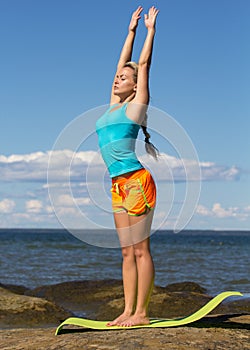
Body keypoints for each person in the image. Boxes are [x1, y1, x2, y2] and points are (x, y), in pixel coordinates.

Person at [96, 5, 159, 327]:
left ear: (135, 86)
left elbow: (142, 64)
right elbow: (122, 63)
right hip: (117, 185)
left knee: (140, 250)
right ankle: (127, 310)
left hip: (136, 181)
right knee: (125, 253)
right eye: (117, 76)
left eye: (125, 77)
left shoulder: (135, 106)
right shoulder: (111, 106)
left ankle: (142, 314)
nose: (119, 77)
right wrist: (129, 32)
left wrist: (148, 32)